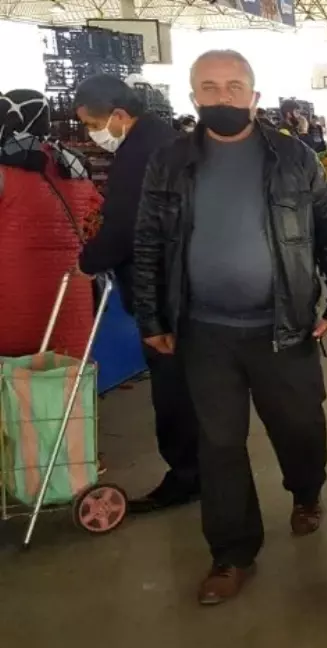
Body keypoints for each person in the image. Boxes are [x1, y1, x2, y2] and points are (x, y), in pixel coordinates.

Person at [131, 49, 327, 605]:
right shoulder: (170, 161)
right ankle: (231, 554)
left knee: (300, 427)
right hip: (204, 330)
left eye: (234, 86)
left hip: (285, 329)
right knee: (219, 444)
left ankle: (306, 492)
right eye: (209, 87)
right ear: (193, 98)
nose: (222, 96)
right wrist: (153, 317)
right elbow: (149, 243)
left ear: (254, 97)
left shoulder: (294, 158)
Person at [72, 75, 198, 512]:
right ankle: (201, 470)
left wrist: (87, 261)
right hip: (189, 281)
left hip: (161, 287)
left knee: (172, 388)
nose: (92, 134)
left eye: (92, 123)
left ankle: (185, 476)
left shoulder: (138, 153)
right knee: (195, 386)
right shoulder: (169, 140)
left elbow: (126, 225)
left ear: (120, 116)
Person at [0, 89, 101, 360]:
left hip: (12, 294)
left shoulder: (4, 168)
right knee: (66, 381)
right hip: (72, 293)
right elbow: (96, 222)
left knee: (14, 386)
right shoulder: (76, 163)